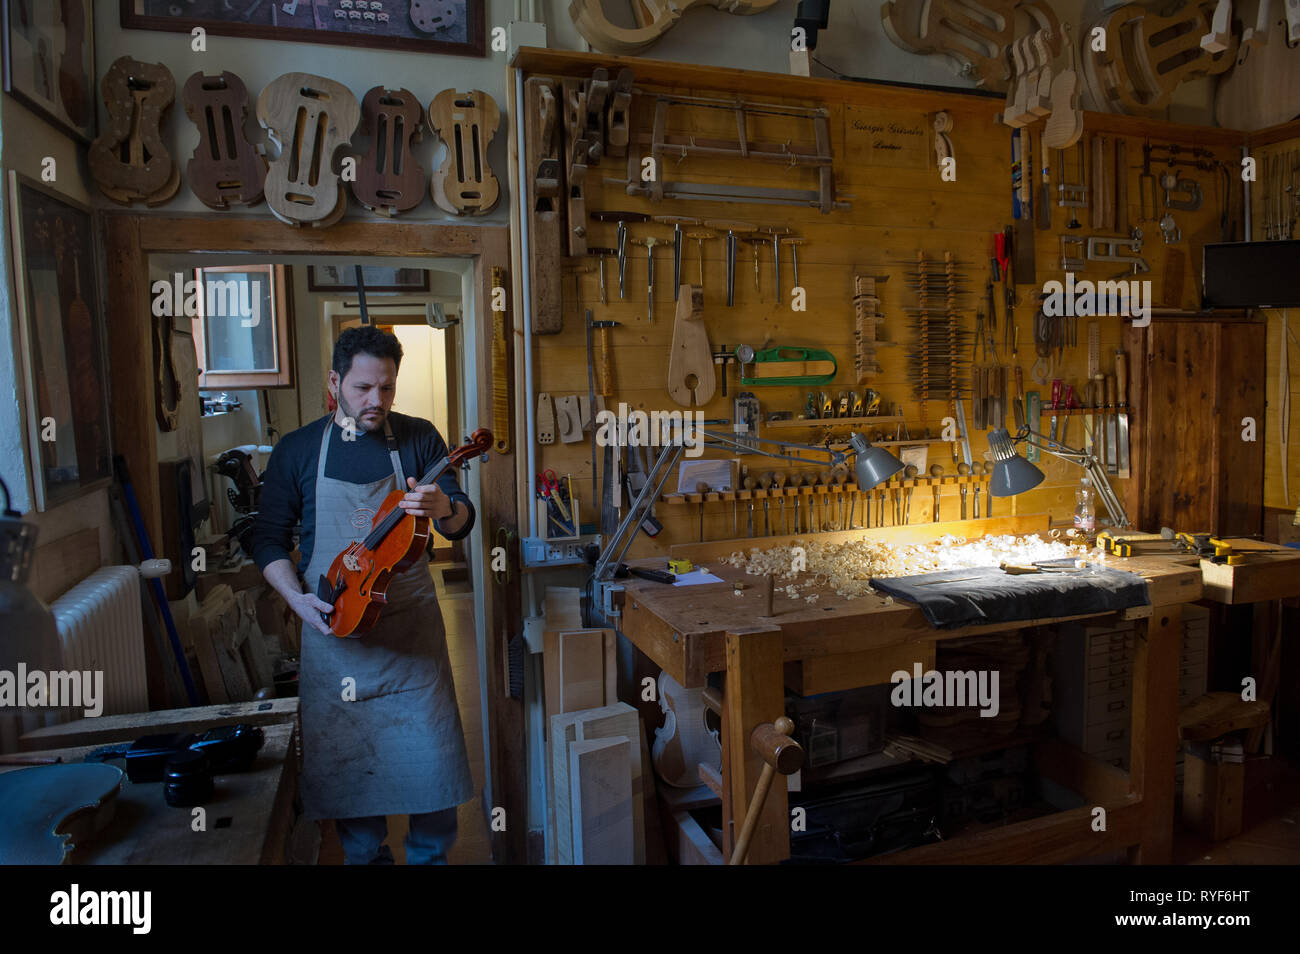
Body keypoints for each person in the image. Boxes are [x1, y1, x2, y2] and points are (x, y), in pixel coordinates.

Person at [253, 325, 475, 864]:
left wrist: (445, 508)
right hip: (336, 637)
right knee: (353, 777)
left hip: (411, 641)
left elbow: (461, 521)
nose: (376, 401)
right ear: (335, 382)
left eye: (387, 388)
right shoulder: (299, 449)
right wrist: (296, 599)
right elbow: (267, 540)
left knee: (431, 771)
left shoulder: (421, 438)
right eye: (362, 388)